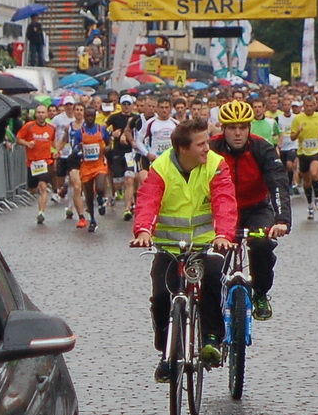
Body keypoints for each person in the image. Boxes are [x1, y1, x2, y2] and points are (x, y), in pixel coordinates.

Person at [131, 119, 238, 380]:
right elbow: (148, 201)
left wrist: (223, 235)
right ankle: (166, 352)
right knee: (160, 295)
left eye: (207, 142)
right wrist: (143, 230)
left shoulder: (215, 164)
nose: (207, 148)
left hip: (206, 244)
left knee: (212, 278)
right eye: (200, 144)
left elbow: (225, 201)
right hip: (169, 246)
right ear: (182, 148)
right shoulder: (161, 167)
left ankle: (211, 338)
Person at [209, 100, 291, 320]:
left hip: (256, 207)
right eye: (232, 128)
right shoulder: (211, 149)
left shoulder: (262, 148)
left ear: (249, 128)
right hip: (221, 210)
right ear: (222, 128)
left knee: (262, 244)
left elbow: (278, 182)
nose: (238, 133)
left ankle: (261, 293)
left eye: (242, 127)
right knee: (212, 255)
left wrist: (282, 220)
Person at [290, 93, 318, 219]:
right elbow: (292, 137)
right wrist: (298, 132)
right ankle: (309, 205)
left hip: (316, 151)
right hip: (303, 153)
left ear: (315, 105)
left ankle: (317, 198)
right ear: (303, 106)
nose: (308, 108)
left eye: (311, 106)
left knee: (314, 173)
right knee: (307, 182)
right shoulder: (297, 119)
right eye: (306, 106)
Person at [14, 109, 58, 224]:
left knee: (43, 187)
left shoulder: (51, 128)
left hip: (45, 162)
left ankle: (41, 213)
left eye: (43, 112)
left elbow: (53, 142)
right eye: (38, 112)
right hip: (32, 163)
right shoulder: (29, 126)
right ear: (35, 114)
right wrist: (27, 143)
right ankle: (36, 189)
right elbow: (18, 139)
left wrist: (57, 151)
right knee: (32, 189)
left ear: (46, 114)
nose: (41, 115)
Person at [75, 108, 111, 231]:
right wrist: (79, 147)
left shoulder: (102, 130)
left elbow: (109, 143)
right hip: (86, 166)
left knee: (100, 187)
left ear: (95, 116)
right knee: (89, 195)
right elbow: (74, 148)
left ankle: (101, 199)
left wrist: (107, 148)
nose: (89, 118)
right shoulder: (80, 132)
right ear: (84, 117)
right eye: (87, 116)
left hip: (99, 164)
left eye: (91, 116)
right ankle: (92, 220)